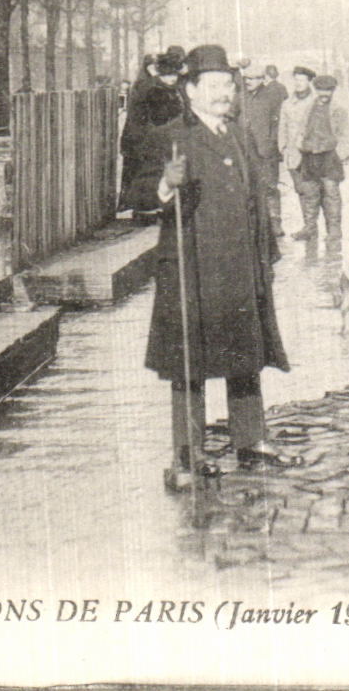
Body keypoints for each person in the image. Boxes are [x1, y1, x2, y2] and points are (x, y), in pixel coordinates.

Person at [130, 44, 298, 488]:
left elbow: (255, 198)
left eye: (229, 84)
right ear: (190, 90)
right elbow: (137, 195)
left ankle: (250, 442)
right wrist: (166, 183)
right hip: (194, 264)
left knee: (246, 350)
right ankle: (188, 455)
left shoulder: (238, 133)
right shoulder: (170, 135)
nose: (225, 93)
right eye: (214, 85)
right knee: (190, 358)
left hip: (242, 263)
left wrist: (268, 253)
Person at [120, 48, 186, 213]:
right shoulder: (155, 91)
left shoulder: (170, 90)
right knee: (151, 175)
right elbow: (158, 118)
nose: (172, 79)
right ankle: (146, 208)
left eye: (174, 75)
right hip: (153, 140)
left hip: (161, 138)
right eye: (167, 75)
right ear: (160, 75)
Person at [291, 73, 349, 243]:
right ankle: (310, 228)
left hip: (329, 157)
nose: (324, 94)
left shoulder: (338, 110)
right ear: (315, 90)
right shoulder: (309, 107)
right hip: (310, 157)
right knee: (309, 194)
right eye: (320, 90)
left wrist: (338, 155)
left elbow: (346, 136)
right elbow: (301, 130)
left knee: (331, 194)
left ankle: (334, 231)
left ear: (333, 91)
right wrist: (300, 146)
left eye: (328, 91)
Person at [240, 63, 285, 237]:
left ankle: (275, 222)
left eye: (253, 78)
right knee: (247, 187)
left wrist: (271, 143)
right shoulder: (240, 97)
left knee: (270, 187)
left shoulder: (271, 97)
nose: (249, 82)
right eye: (247, 79)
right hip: (245, 151)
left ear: (262, 79)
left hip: (266, 150)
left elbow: (277, 123)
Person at [277, 65, 317, 229]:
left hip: (312, 153)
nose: (298, 83)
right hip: (293, 154)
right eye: (296, 80)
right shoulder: (287, 103)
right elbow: (282, 126)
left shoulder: (315, 102)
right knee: (300, 189)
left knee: (313, 191)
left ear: (309, 82)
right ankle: (309, 225)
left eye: (302, 80)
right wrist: (283, 147)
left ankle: (313, 226)